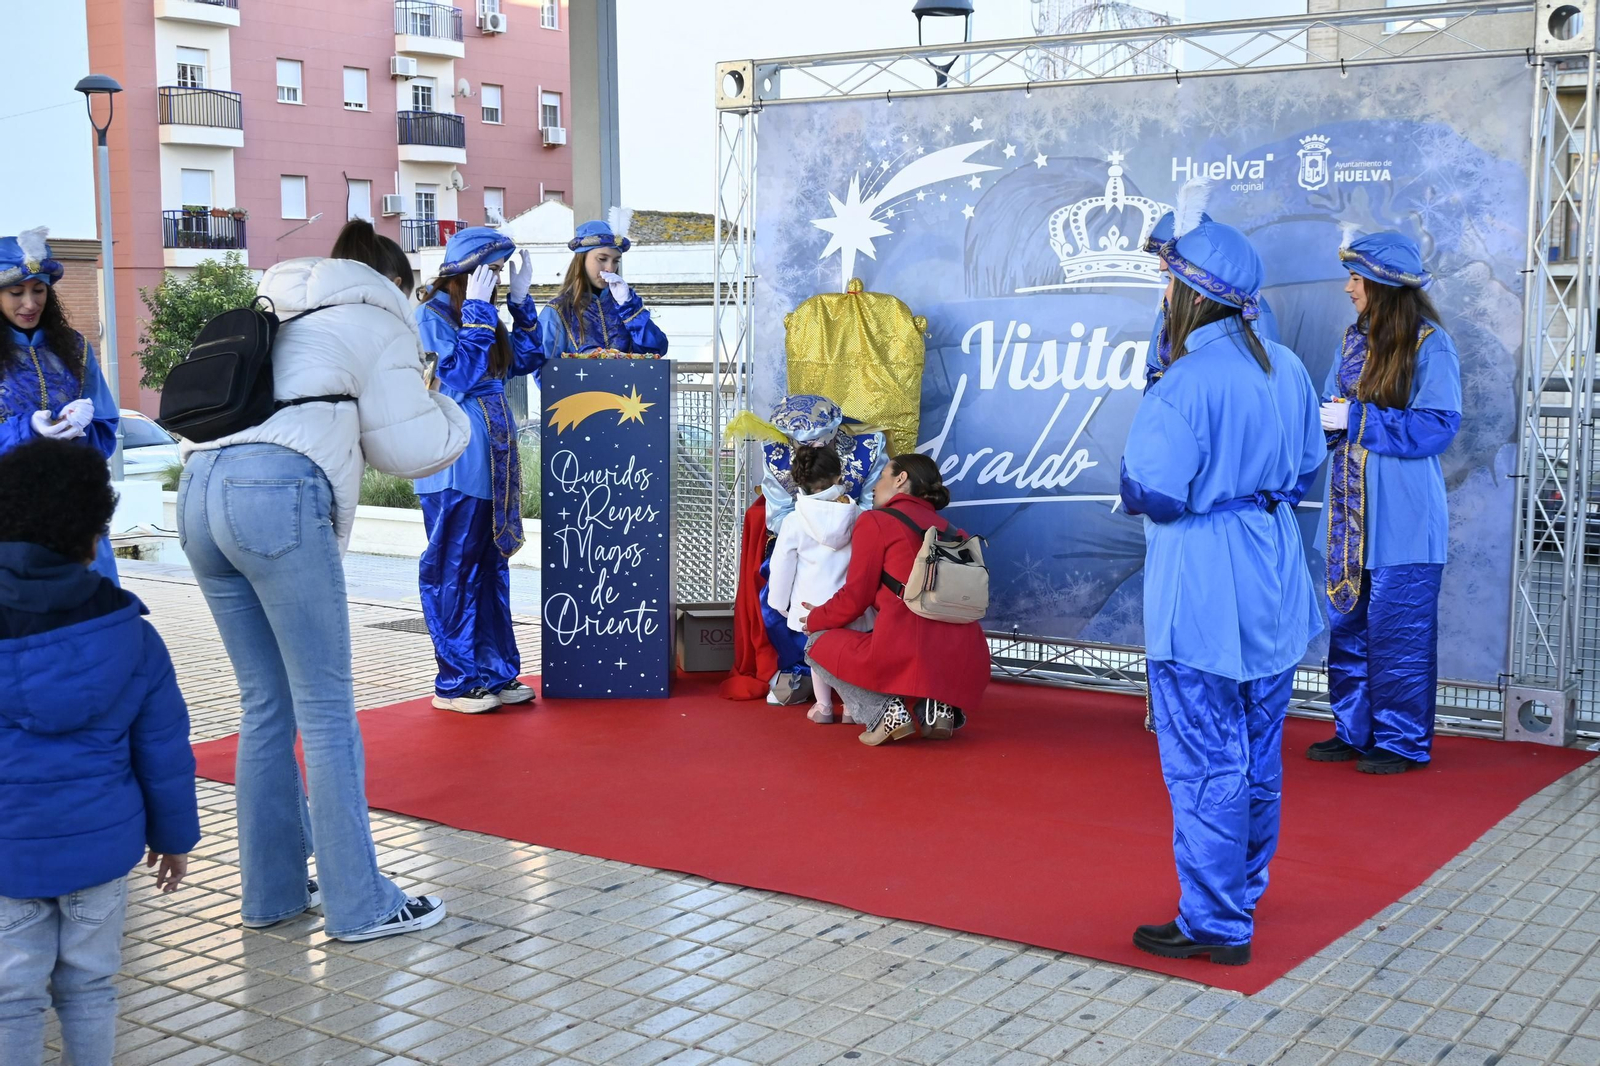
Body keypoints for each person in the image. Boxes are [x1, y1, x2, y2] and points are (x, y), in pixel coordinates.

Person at [179, 219, 470, 940]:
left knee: (264, 707)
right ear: (394, 282)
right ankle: (359, 902)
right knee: (328, 711)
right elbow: (415, 448)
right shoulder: (376, 317)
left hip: (196, 495)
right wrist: (450, 404)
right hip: (275, 498)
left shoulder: (274, 306)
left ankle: (273, 892)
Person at [1120, 209, 1325, 965]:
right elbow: (1308, 468)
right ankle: (1238, 895)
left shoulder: (1185, 383)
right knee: (1257, 752)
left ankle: (1215, 923)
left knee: (1206, 755)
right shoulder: (1288, 366)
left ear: (1186, 292)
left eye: (1166, 282)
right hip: (1272, 576)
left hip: (1204, 588)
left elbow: (1154, 490)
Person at [0, 438, 199, 1066]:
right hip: (101, 851)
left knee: (11, 996)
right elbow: (164, 752)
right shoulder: (132, 636)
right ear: (93, 536)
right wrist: (174, 838)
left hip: (7, 853)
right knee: (89, 988)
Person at [1310, 231, 1461, 774]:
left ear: (1382, 286)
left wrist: (1357, 419)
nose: (1349, 288)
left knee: (1399, 630)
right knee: (1348, 622)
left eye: (1357, 279)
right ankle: (1354, 728)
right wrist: (1325, 423)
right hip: (1348, 513)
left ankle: (1401, 741)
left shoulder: (1429, 345)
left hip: (1404, 517)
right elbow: (1332, 408)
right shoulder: (1351, 342)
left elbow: (1438, 426)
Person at [415, 227, 546, 713]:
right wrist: (477, 312)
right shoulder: (430, 315)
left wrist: (520, 304)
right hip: (453, 462)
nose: (494, 278)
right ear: (467, 271)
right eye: (490, 270)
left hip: (494, 459)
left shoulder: (484, 313)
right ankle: (454, 681)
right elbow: (462, 376)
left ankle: (493, 672)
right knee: (453, 567)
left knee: (490, 568)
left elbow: (529, 360)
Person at [803, 454, 990, 745]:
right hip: (968, 655)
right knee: (928, 643)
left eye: (881, 478)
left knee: (816, 644)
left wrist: (816, 619)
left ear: (901, 480)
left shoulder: (877, 521)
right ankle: (937, 707)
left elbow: (855, 598)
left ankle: (885, 712)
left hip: (907, 646)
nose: (875, 488)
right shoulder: (955, 531)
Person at [0, 228, 121, 584]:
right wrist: (27, 430)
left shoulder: (75, 348)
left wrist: (79, 428)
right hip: (8, 514)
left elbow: (105, 429)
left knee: (94, 610)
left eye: (39, 290)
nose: (30, 303)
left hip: (73, 510)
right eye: (15, 292)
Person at [765, 445, 873, 724]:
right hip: (852, 601)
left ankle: (824, 707)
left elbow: (782, 566)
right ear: (839, 478)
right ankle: (851, 707)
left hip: (809, 602)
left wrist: (778, 602)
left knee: (817, 652)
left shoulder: (793, 520)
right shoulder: (860, 515)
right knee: (852, 653)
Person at [1144, 209, 1279, 388]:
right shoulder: (1170, 302)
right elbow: (1155, 365)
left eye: (1167, 252)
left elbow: (1264, 381)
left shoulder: (1254, 310)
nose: (1161, 263)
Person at [539, 214, 668, 358]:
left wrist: (629, 308)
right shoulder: (557, 311)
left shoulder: (625, 307)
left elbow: (656, 351)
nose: (609, 268)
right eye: (602, 259)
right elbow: (545, 371)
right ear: (581, 259)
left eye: (615, 261)